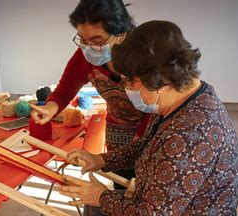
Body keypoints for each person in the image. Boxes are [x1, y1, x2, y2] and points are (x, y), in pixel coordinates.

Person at [55, 20, 238, 216]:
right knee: (95, 212)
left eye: (130, 81)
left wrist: (100, 196)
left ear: (159, 79)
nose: (126, 87)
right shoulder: (187, 98)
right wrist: (101, 160)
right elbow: (145, 145)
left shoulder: (188, 135)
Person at [29, 0, 149, 153]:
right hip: (118, 134)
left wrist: (141, 141)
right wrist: (49, 109)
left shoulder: (145, 57)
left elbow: (159, 107)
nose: (88, 47)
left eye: (97, 40)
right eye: (83, 39)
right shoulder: (84, 57)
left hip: (152, 133)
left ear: (120, 33)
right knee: (117, 175)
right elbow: (64, 92)